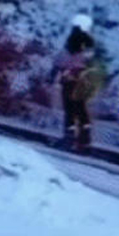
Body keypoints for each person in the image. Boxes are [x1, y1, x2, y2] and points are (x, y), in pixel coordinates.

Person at [51, 14, 97, 153]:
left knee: (70, 110)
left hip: (70, 80)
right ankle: (85, 140)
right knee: (81, 109)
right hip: (84, 81)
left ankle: (69, 138)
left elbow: (61, 59)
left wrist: (54, 74)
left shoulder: (72, 41)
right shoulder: (89, 44)